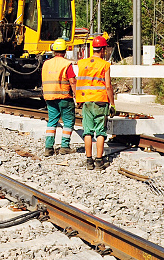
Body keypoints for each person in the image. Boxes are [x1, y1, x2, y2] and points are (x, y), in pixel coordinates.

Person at [75, 35, 114, 170]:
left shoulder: (82, 63)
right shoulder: (105, 64)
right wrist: (112, 103)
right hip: (101, 101)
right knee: (101, 132)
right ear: (102, 50)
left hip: (86, 102)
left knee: (87, 131)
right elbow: (108, 86)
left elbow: (80, 81)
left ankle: (88, 161)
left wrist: (79, 99)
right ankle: (99, 161)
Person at [41, 38, 76, 156]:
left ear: (53, 51)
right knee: (68, 122)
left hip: (50, 97)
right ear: (65, 51)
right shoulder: (66, 64)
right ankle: (65, 146)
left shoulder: (46, 63)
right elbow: (72, 81)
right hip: (64, 97)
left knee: (52, 122)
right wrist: (77, 95)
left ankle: (48, 148)